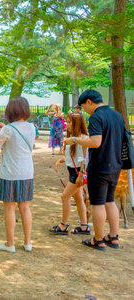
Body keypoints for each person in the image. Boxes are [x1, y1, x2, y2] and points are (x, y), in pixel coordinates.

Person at [63, 89, 124, 251]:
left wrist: (75, 140)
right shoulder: (117, 115)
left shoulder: (96, 116)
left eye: (84, 107)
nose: (84, 110)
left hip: (100, 166)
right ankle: (113, 236)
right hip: (115, 164)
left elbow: (96, 142)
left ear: (89, 102)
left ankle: (98, 239)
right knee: (110, 201)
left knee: (97, 204)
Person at [0, 97, 35, 253]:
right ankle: (27, 243)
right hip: (27, 172)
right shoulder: (32, 127)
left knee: (9, 208)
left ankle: (10, 243)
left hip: (10, 173)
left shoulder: (8, 129)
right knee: (25, 208)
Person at [50, 113, 89, 235]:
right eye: (67, 122)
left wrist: (81, 174)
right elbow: (71, 156)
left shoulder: (83, 138)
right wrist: (60, 160)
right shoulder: (72, 137)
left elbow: (84, 158)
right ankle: (84, 226)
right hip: (73, 171)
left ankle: (63, 225)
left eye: (70, 122)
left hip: (78, 173)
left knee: (65, 196)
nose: (67, 125)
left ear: (77, 123)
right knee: (78, 198)